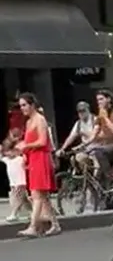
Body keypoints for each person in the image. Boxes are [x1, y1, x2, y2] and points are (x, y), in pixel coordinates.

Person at [17, 93, 61, 237]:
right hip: (33, 158)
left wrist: (26, 146)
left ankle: (33, 226)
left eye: (24, 105)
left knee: (37, 194)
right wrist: (25, 154)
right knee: (43, 195)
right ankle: (55, 225)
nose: (22, 108)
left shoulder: (40, 120)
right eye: (21, 106)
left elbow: (42, 141)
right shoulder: (29, 122)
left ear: (32, 105)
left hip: (41, 158)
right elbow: (29, 142)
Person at [85, 89, 113, 178]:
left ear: (108, 99)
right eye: (98, 100)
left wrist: (105, 118)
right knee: (92, 153)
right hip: (107, 147)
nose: (99, 102)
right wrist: (84, 144)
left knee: (99, 152)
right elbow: (94, 133)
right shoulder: (101, 114)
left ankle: (110, 177)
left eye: (101, 99)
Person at [0, 129, 31, 222]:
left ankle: (14, 214)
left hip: (20, 182)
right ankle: (33, 212)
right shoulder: (7, 160)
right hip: (13, 183)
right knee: (24, 199)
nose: (9, 154)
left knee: (18, 198)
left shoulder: (20, 158)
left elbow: (26, 162)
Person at [57, 101, 96, 171]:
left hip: (97, 148)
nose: (81, 113)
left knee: (96, 164)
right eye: (79, 111)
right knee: (77, 158)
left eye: (83, 111)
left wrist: (85, 135)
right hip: (86, 149)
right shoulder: (78, 123)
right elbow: (71, 137)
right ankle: (88, 175)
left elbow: (96, 136)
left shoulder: (95, 120)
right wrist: (63, 148)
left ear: (88, 110)